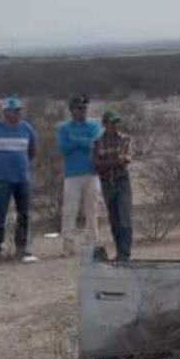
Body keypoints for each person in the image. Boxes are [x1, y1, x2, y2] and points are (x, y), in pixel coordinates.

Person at [0, 96, 36, 260]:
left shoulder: (26, 128)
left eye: (18, 111)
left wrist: (22, 161)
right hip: (3, 177)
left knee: (23, 213)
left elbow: (32, 150)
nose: (15, 114)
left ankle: (21, 246)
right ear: (5, 112)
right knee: (0, 212)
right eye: (12, 111)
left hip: (22, 177)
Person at [55, 95, 103, 256]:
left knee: (92, 209)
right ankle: (68, 245)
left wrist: (76, 140)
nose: (83, 111)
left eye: (85, 108)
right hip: (72, 173)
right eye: (79, 108)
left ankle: (92, 242)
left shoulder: (94, 126)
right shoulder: (64, 129)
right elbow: (64, 148)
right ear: (72, 110)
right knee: (70, 209)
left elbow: (95, 143)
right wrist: (84, 142)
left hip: (92, 172)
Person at [92, 110, 133, 261]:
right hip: (107, 184)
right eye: (112, 122)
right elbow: (96, 165)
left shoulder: (124, 139)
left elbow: (125, 160)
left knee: (125, 217)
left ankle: (125, 253)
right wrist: (115, 162)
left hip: (122, 181)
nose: (115, 125)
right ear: (105, 124)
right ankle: (119, 251)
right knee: (114, 219)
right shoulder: (98, 142)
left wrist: (106, 163)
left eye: (117, 122)